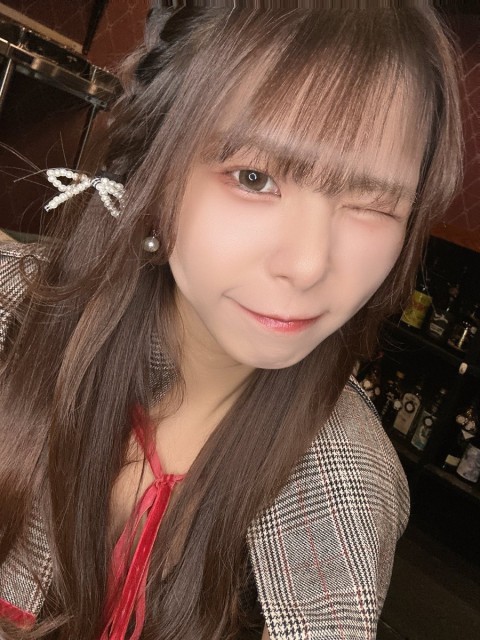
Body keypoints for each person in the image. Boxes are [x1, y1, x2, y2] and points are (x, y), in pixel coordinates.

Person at [0, 2, 463, 639]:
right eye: (254, 177)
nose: (308, 265)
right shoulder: (13, 315)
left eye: (372, 203)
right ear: (158, 167)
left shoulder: (347, 488)